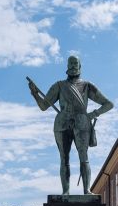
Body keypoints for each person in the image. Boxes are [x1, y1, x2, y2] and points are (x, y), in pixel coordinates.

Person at [27, 55, 113, 194]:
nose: (73, 66)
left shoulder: (86, 86)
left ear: (80, 66)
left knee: (84, 157)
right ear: (67, 66)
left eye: (75, 63)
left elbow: (109, 104)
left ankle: (87, 190)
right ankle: (65, 192)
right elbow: (44, 106)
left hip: (82, 123)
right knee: (64, 158)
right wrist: (35, 94)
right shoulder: (59, 86)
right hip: (62, 123)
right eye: (71, 63)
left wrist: (92, 114)